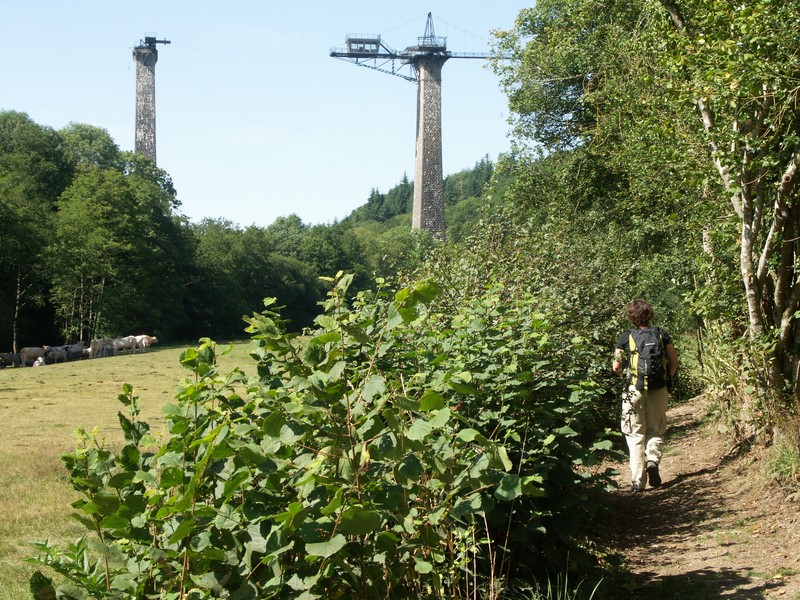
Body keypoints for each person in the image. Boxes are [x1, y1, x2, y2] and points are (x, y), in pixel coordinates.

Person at [612, 299, 678, 492]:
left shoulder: (625, 336)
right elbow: (674, 362)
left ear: (631, 317)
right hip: (658, 389)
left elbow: (616, 366)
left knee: (634, 435)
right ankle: (652, 461)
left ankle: (637, 482)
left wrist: (625, 377)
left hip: (634, 390)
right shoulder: (661, 334)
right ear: (650, 315)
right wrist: (666, 379)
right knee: (655, 430)